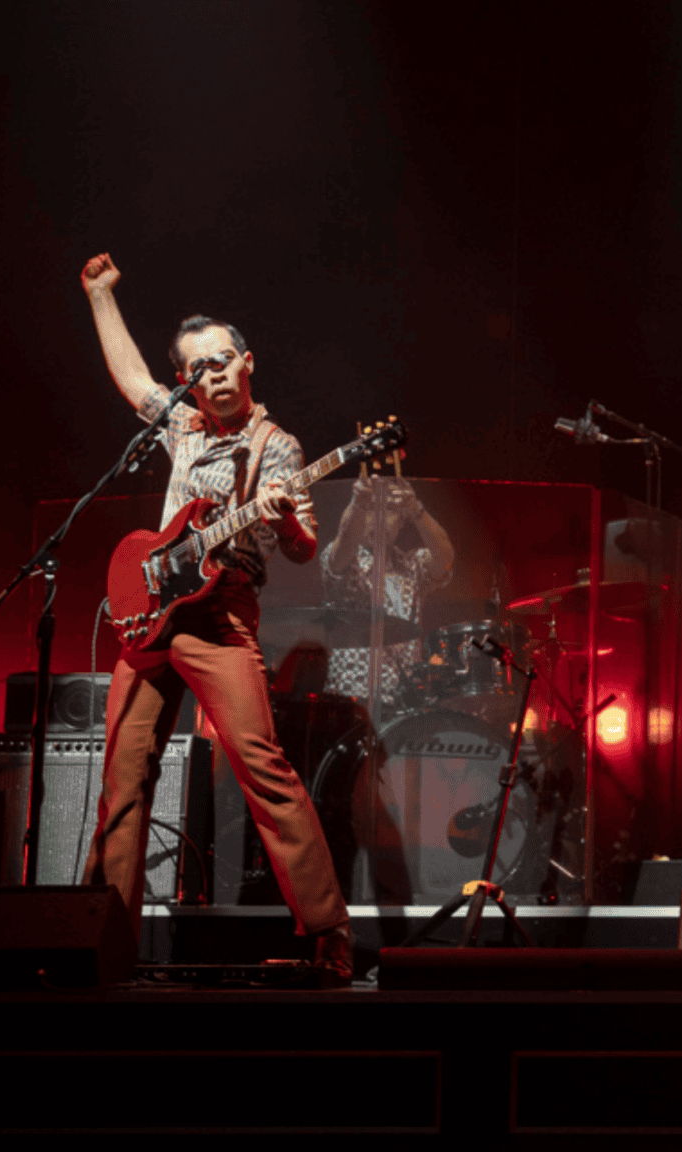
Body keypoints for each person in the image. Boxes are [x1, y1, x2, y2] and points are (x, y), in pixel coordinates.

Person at [77, 253, 353, 980]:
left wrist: (287, 520)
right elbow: (133, 378)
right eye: (199, 368)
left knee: (262, 768)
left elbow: (301, 548)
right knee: (122, 782)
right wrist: (101, 296)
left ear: (248, 362)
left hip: (220, 616)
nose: (215, 375)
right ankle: (99, 944)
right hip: (150, 618)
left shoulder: (278, 447)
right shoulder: (184, 429)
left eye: (224, 361)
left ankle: (328, 935)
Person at [320, 474, 455, 707]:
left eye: (389, 511)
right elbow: (344, 542)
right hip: (353, 698)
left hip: (405, 699)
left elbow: (445, 559)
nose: (380, 518)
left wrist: (416, 510)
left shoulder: (413, 566)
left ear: (402, 521)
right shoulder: (347, 561)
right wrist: (358, 502)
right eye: (371, 510)